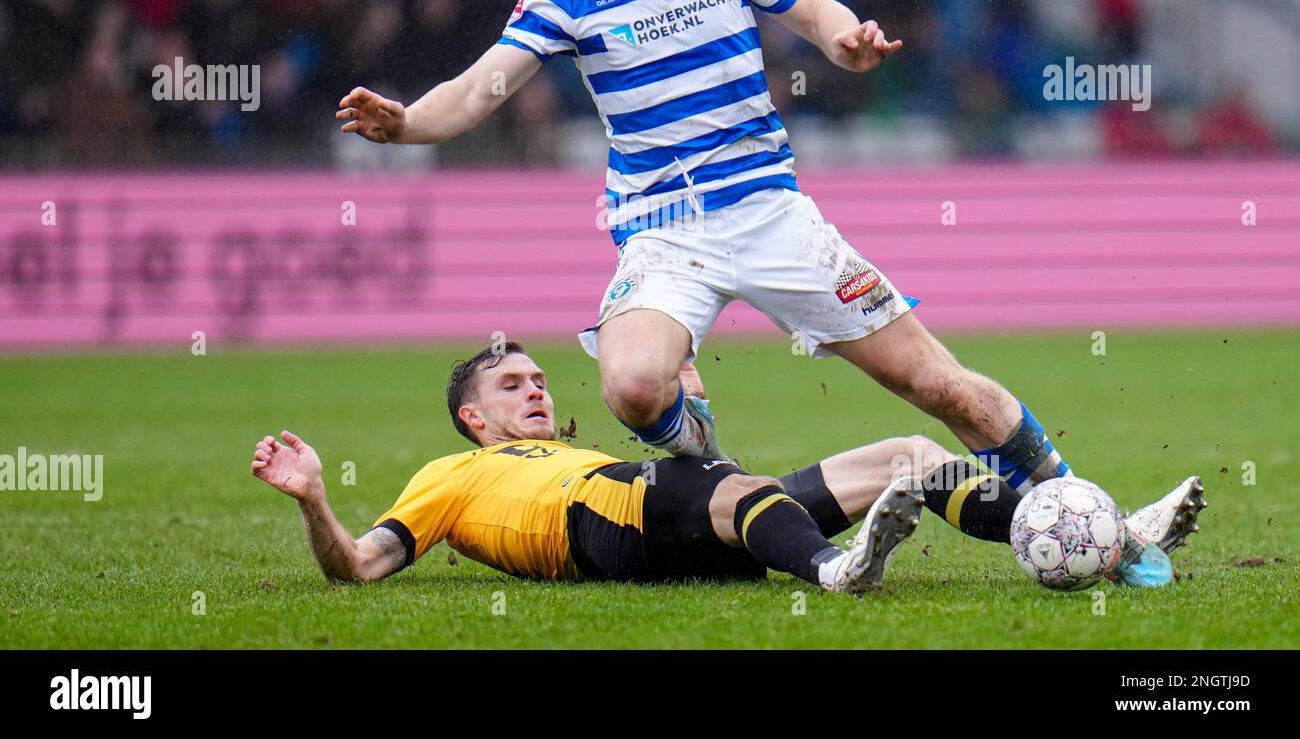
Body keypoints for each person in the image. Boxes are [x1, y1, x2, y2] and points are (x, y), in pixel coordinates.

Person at [334, 0, 1199, 586]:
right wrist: (408, 123)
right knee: (634, 388)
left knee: (943, 390)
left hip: (771, 215)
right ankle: (695, 434)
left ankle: (1102, 526)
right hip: (663, 232)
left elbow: (820, 17)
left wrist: (851, 45)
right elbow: (482, 87)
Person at [251, 343, 1204, 591]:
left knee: (914, 454)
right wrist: (316, 503)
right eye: (512, 386)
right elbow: (362, 566)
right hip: (593, 528)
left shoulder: (576, 449)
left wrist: (689, 407)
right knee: (708, 486)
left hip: (669, 514)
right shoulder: (445, 477)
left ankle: (1112, 541)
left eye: (540, 379)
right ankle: (835, 571)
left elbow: (705, 477)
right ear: (472, 417)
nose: (536, 391)